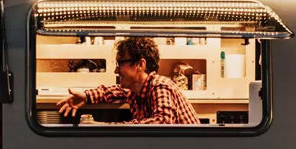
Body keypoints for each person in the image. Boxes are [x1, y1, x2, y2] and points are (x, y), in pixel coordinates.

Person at [57, 37, 199, 124]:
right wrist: (86, 96)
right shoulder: (135, 90)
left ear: (140, 65)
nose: (116, 70)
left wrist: (105, 127)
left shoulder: (160, 85)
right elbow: (113, 91)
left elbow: (163, 123)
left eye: (120, 64)